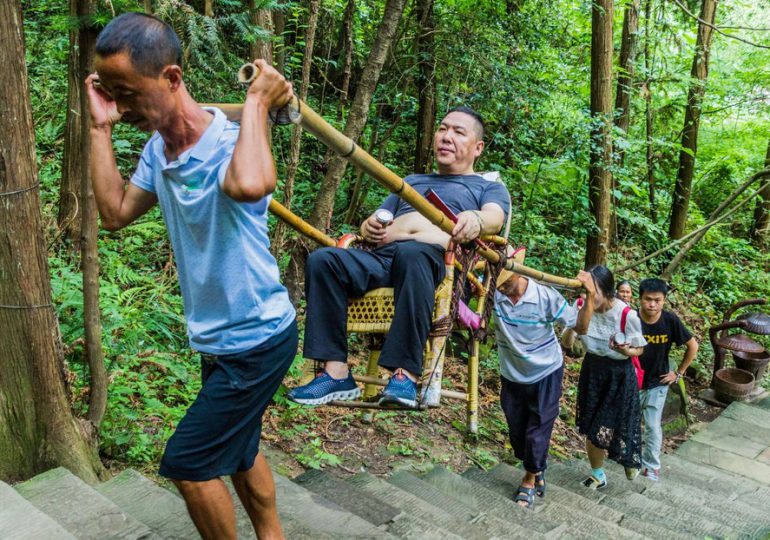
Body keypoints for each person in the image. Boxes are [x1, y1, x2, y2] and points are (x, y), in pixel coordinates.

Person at [87, 13, 296, 539]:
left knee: (188, 461)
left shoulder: (230, 141)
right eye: (111, 92)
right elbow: (113, 212)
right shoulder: (159, 150)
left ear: (172, 79)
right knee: (241, 447)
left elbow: (251, 185)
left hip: (257, 336)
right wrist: (98, 127)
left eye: (127, 93)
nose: (121, 105)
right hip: (219, 339)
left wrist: (256, 103)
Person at [288, 107, 509, 408]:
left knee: (412, 253)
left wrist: (475, 220)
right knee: (324, 261)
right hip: (384, 257)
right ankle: (335, 371)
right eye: (443, 129)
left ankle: (405, 374)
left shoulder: (487, 187)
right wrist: (369, 226)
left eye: (458, 132)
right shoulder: (412, 181)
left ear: (478, 147)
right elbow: (375, 220)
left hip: (438, 264)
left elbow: (494, 218)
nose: (446, 136)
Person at [493, 248, 579, 509]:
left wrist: (588, 297)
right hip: (512, 373)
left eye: (507, 282)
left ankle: (530, 478)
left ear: (519, 272)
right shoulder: (493, 296)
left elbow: (574, 321)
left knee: (538, 428)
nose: (504, 288)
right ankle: (536, 465)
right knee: (516, 429)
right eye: (500, 284)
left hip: (546, 371)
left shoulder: (544, 296)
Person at [573, 266, 647, 489]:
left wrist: (626, 351)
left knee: (613, 423)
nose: (588, 296)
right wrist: (570, 327)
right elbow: (569, 344)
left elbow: (639, 349)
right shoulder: (581, 307)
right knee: (592, 424)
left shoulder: (627, 315)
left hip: (619, 374)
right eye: (584, 291)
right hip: (593, 370)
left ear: (606, 291)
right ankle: (598, 474)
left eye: (591, 291)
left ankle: (627, 455)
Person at [637, 278, 698, 481]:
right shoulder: (631, 318)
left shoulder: (670, 321)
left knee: (653, 426)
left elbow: (693, 346)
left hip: (658, 382)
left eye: (657, 300)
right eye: (648, 299)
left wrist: (678, 373)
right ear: (640, 299)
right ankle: (629, 458)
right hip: (632, 381)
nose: (652, 304)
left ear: (664, 301)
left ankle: (651, 466)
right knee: (628, 421)